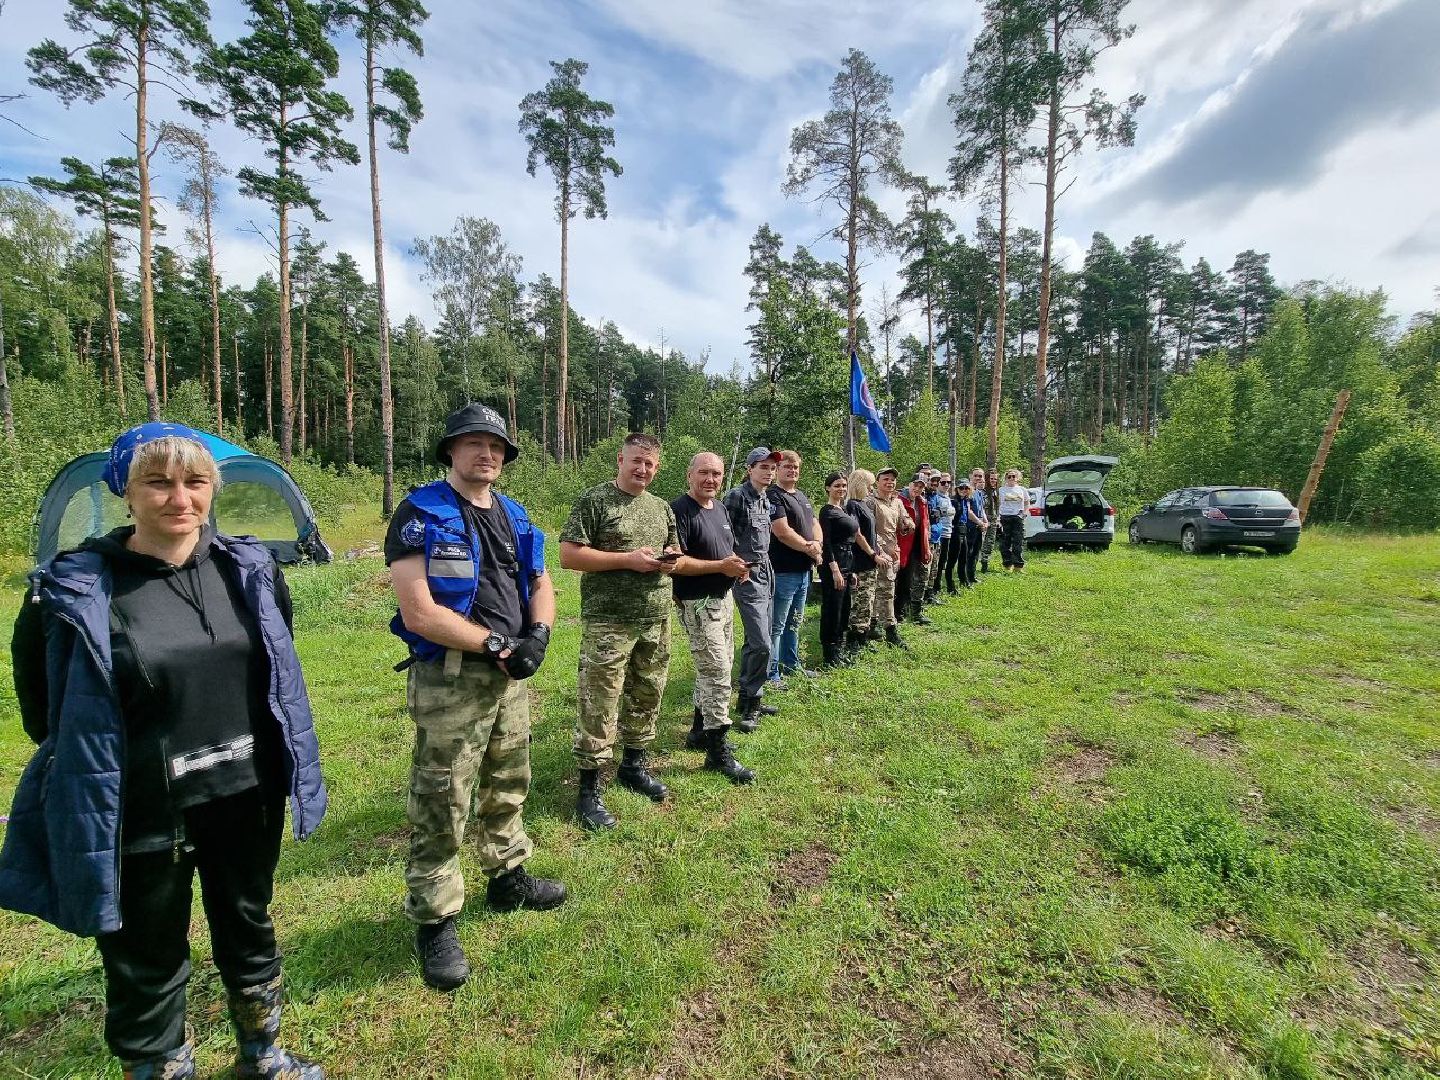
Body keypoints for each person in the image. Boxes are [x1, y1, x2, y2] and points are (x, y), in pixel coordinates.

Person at [2, 423, 328, 1079]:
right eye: (158, 481)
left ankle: (263, 1055)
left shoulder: (250, 569)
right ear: (125, 489)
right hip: (139, 807)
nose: (179, 498)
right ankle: (161, 1068)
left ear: (213, 489)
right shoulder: (69, 590)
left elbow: (275, 665)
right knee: (143, 954)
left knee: (248, 925)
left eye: (195, 482)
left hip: (245, 793)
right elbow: (46, 711)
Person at [387, 403, 566, 992]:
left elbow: (541, 581)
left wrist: (537, 633)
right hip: (453, 676)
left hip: (509, 675)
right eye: (473, 443)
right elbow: (419, 609)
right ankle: (436, 919)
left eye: (496, 445)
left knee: (508, 778)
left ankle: (507, 875)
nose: (485, 453)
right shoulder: (420, 512)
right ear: (451, 451)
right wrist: (495, 642)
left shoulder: (515, 515)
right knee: (442, 796)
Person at [561, 432, 681, 831]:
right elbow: (569, 555)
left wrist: (668, 561)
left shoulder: (662, 507)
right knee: (601, 701)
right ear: (621, 460)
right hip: (609, 619)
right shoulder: (595, 500)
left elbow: (675, 552)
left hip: (655, 617)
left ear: (656, 467)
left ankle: (633, 766)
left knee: (647, 694)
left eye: (649, 464)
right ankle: (589, 788)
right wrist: (627, 559)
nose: (642, 469)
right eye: (636, 461)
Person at [670, 452, 756, 784]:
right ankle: (717, 752)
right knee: (718, 673)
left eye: (717, 474)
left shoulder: (718, 508)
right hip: (697, 602)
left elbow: (725, 549)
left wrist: (737, 566)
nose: (711, 479)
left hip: (724, 598)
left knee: (715, 669)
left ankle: (698, 731)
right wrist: (721, 567)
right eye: (704, 473)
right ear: (689, 475)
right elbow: (675, 563)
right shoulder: (679, 511)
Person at [723, 448, 785, 730]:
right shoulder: (737, 496)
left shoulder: (765, 498)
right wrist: (736, 567)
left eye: (772, 468)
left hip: (766, 570)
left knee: (757, 640)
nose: (769, 472)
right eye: (763, 467)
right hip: (746, 573)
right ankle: (752, 702)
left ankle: (748, 700)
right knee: (762, 642)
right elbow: (724, 536)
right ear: (749, 469)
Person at [767, 450, 824, 681]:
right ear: (778, 470)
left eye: (796, 467)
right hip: (783, 571)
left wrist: (817, 543)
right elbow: (781, 530)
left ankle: (791, 665)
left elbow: (814, 522)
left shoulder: (800, 495)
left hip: (803, 571)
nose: (792, 471)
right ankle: (771, 673)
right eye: (787, 467)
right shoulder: (773, 496)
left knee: (795, 622)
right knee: (777, 625)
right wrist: (808, 547)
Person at [816, 471, 861, 667]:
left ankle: (840, 649)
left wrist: (851, 571)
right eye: (836, 486)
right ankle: (830, 653)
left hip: (847, 562)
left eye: (843, 485)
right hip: (833, 563)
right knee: (832, 609)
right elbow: (826, 542)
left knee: (844, 608)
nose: (841, 489)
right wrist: (834, 569)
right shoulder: (827, 511)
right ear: (828, 488)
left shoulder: (843, 509)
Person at [844, 469, 888, 652]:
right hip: (861, 562)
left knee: (868, 601)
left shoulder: (864, 504)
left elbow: (871, 534)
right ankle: (854, 642)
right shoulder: (852, 505)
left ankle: (863, 637)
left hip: (870, 562)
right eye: (869, 485)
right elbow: (857, 533)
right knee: (860, 603)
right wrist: (872, 553)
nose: (871, 489)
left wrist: (879, 551)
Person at [868, 466, 912, 647]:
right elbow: (868, 530)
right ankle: (890, 630)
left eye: (892, 480)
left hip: (894, 554)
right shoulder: (871, 502)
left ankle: (873, 624)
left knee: (885, 591)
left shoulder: (897, 502)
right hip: (878, 553)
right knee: (884, 592)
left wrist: (908, 523)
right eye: (885, 479)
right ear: (877, 482)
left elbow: (905, 519)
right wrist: (882, 549)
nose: (889, 482)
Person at [897, 473, 933, 624]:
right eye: (915, 485)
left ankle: (911, 611)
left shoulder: (922, 502)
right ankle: (897, 613)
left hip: (918, 544)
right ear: (909, 484)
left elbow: (925, 524)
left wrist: (927, 546)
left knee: (913, 579)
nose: (917, 489)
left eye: (921, 486)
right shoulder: (899, 500)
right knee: (900, 580)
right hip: (901, 545)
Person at [925, 471, 954, 605]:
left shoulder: (936, 496)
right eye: (934, 480)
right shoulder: (924, 496)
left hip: (938, 534)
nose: (936, 483)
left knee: (936, 567)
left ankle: (931, 593)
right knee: (925, 569)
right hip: (928, 537)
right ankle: (920, 599)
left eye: (938, 481)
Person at [960, 468, 990, 587]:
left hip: (978, 527)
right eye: (976, 475)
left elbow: (981, 509)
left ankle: (972, 576)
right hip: (970, 527)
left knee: (976, 553)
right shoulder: (967, 491)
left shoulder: (979, 492)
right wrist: (979, 522)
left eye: (980, 476)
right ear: (970, 476)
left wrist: (986, 522)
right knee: (968, 553)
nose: (978, 478)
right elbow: (968, 511)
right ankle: (965, 578)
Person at [998, 468, 1029, 570]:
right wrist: (998, 517)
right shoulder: (1001, 490)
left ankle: (1018, 566)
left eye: (1013, 476)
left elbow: (1027, 502)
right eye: (1009, 476)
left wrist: (1024, 513)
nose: (1011, 478)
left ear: (1017, 478)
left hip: (1017, 517)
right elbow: (997, 504)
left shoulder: (1022, 489)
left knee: (1018, 542)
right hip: (1004, 517)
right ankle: (1007, 564)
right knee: (1004, 543)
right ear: (1006, 478)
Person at [979, 468, 1001, 573]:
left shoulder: (996, 492)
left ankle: (985, 564)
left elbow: (997, 507)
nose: (993, 481)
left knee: (990, 543)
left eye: (995, 479)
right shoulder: (983, 492)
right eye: (991, 479)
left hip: (993, 520)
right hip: (983, 519)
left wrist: (998, 519)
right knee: (980, 542)